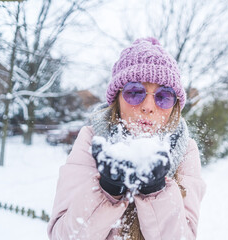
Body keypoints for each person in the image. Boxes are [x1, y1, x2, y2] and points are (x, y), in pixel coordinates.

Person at [47, 37, 206, 240]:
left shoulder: (185, 150)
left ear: (174, 106)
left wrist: (155, 191)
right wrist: (108, 189)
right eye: (134, 92)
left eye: (163, 96)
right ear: (117, 98)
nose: (148, 106)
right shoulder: (92, 140)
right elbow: (63, 236)